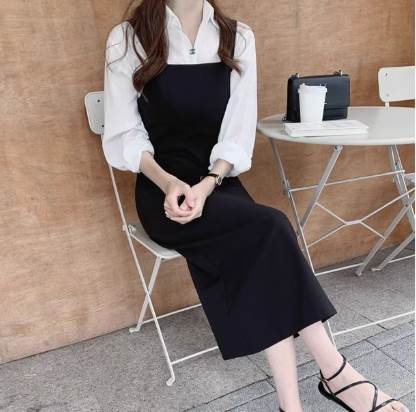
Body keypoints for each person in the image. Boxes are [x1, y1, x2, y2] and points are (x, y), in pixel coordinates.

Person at [102, 1, 409, 411]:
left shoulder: (237, 37)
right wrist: (171, 183)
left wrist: (209, 184)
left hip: (218, 183)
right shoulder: (128, 39)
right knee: (270, 229)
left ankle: (295, 403)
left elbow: (237, 132)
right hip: (163, 193)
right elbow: (125, 133)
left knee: (263, 244)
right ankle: (337, 375)